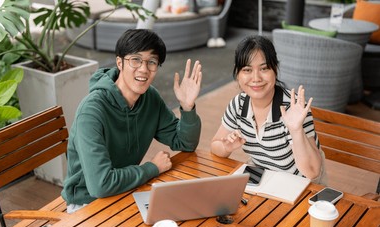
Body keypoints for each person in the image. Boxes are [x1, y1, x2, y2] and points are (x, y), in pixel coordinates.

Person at [62, 29, 202, 213]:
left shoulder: (149, 97)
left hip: (127, 191)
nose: (144, 69)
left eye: (152, 62)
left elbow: (185, 143)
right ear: (119, 62)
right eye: (135, 60)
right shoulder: (92, 111)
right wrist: (152, 168)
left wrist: (187, 107)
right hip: (87, 203)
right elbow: (100, 185)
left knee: (184, 216)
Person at [210, 35, 326, 184]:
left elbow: (312, 172)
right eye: (247, 70)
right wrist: (226, 147)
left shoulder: (293, 108)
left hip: (298, 184)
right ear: (237, 73)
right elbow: (215, 146)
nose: (256, 78)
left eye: (264, 68)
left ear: (275, 69)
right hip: (262, 179)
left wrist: (296, 130)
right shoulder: (238, 105)